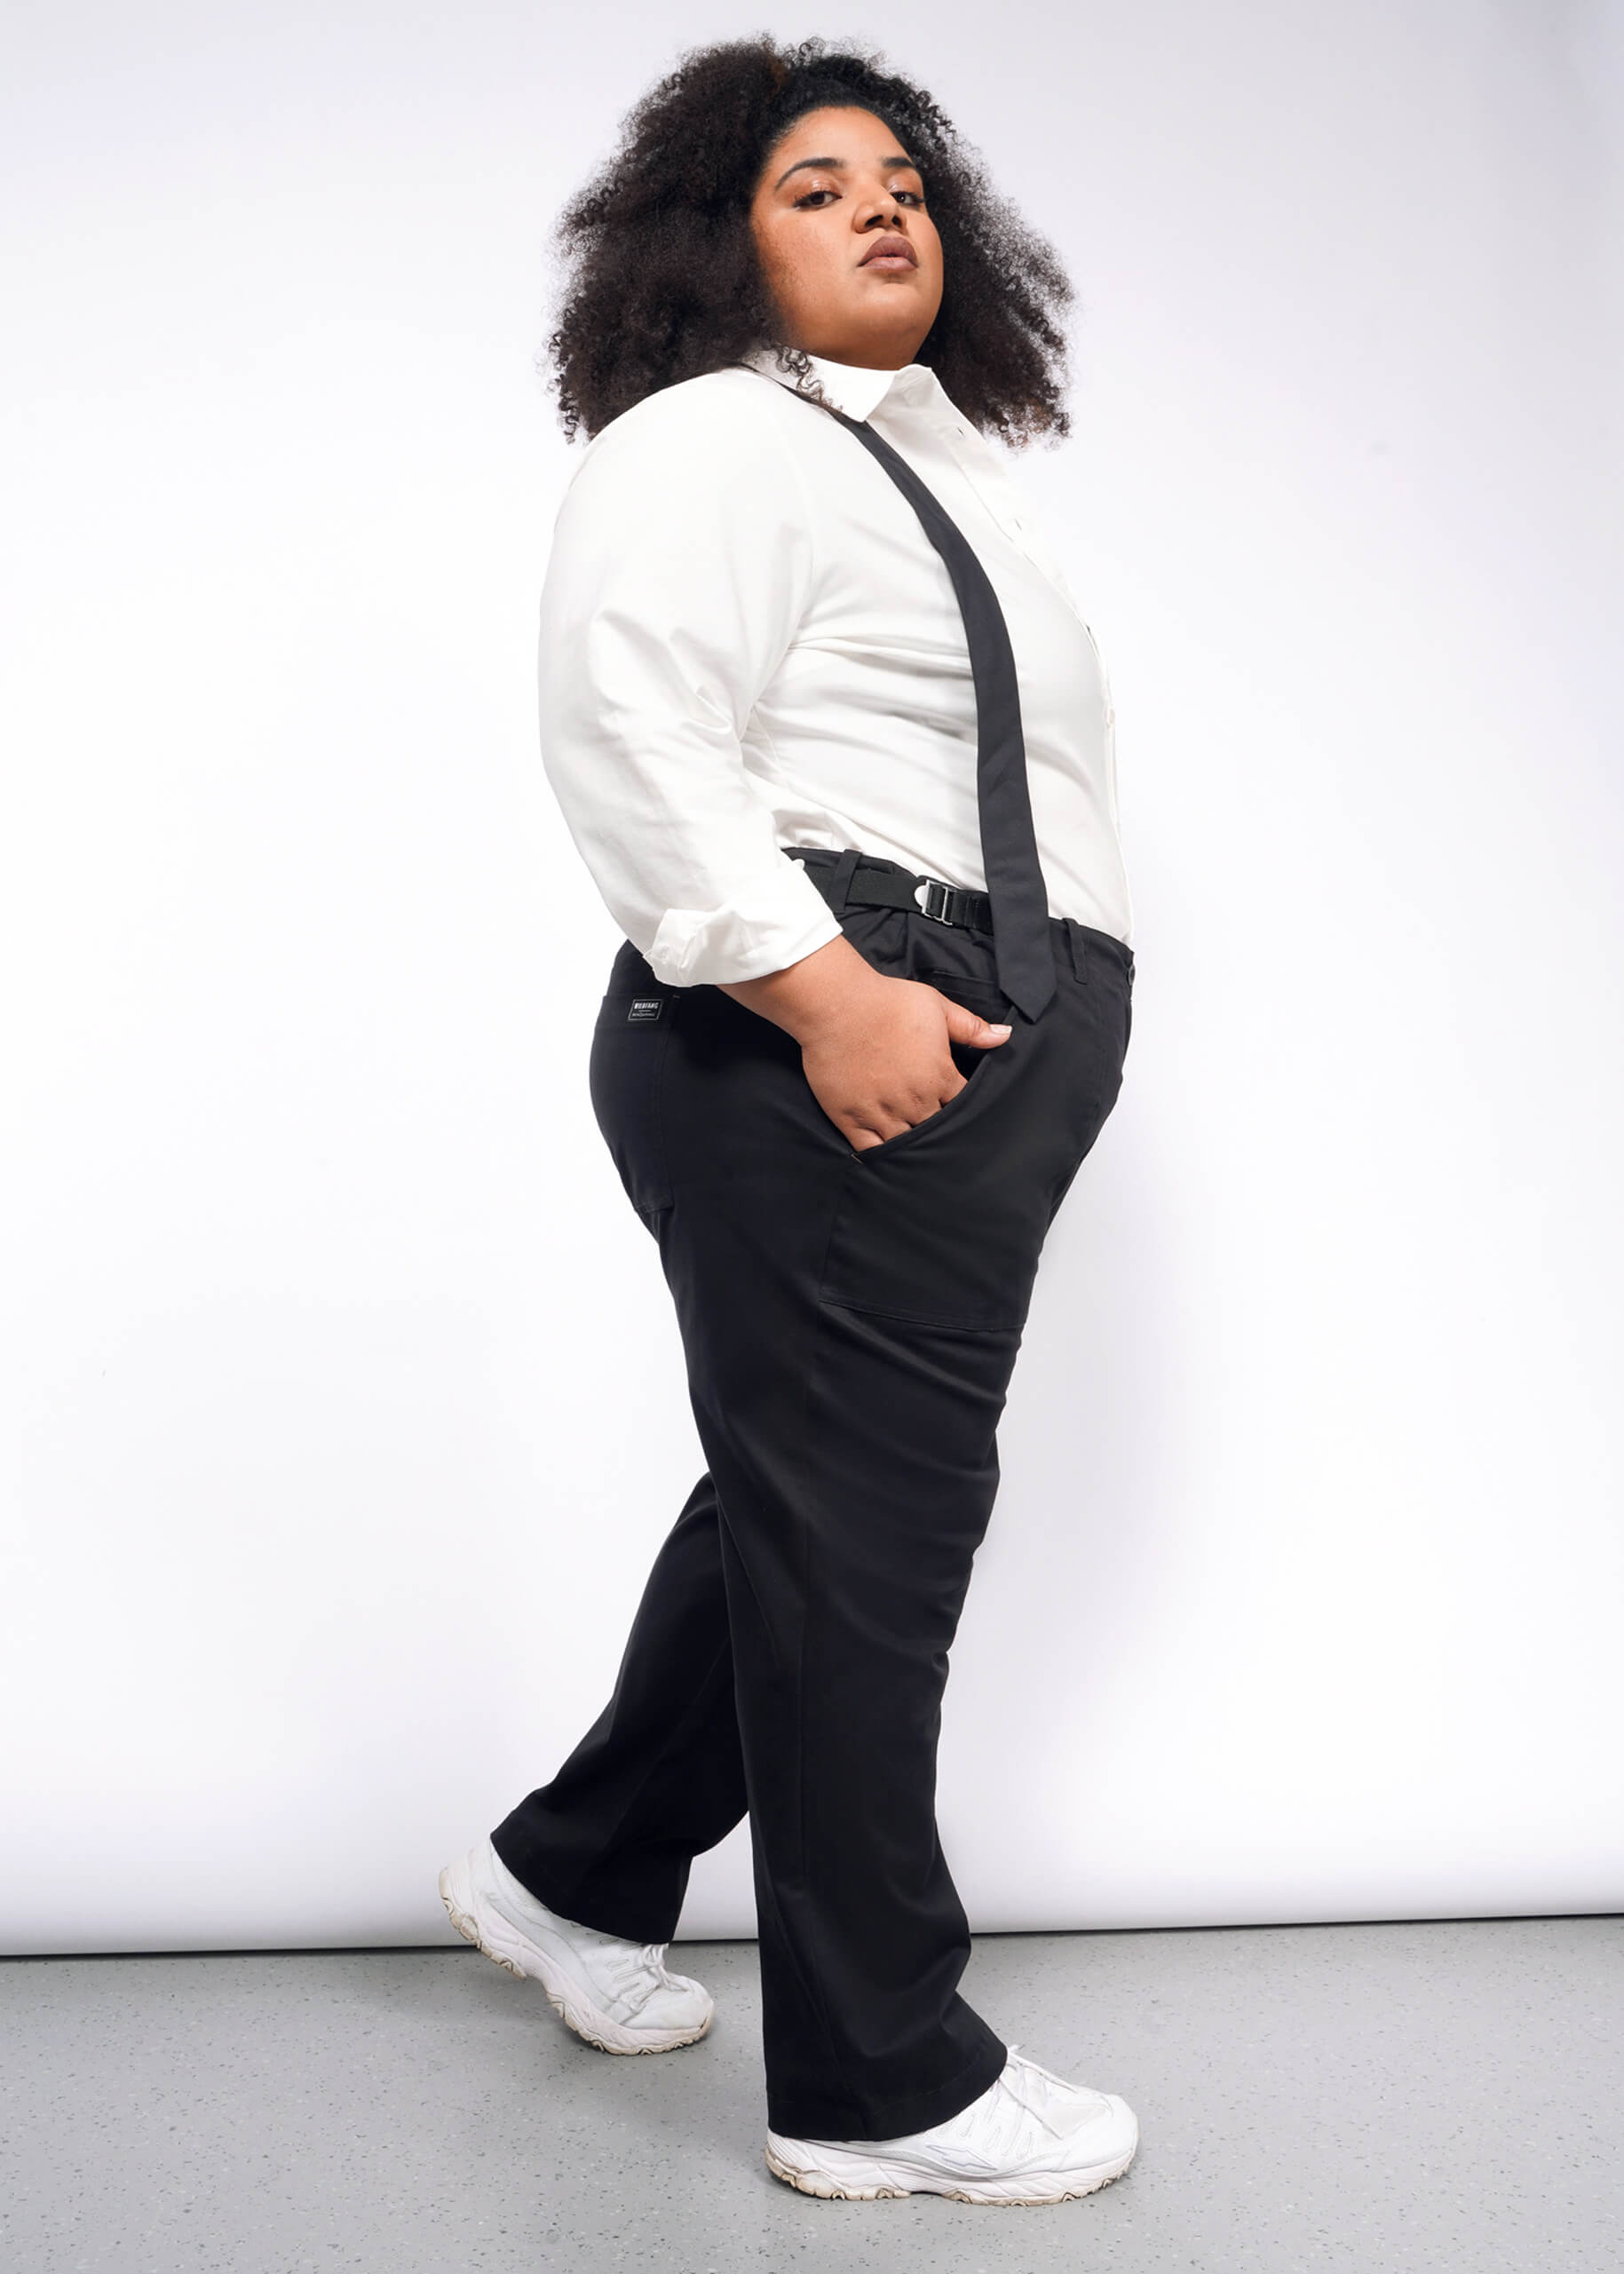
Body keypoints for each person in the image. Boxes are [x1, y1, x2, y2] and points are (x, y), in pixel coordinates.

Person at [439, 36, 1139, 2207]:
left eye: (908, 177)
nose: (883, 204)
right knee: (867, 1542)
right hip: (818, 1017)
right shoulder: (717, 434)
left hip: (952, 1041)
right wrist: (829, 993)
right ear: (712, 242)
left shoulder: (933, 472)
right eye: (815, 184)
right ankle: (881, 2076)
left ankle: (580, 1869)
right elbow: (626, 711)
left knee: (798, 1511)